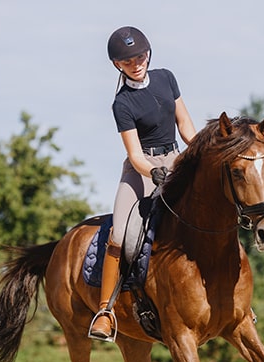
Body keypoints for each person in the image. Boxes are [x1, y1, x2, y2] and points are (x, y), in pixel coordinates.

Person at [89, 26, 197, 340]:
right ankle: (105, 312)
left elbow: (185, 125)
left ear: (148, 54)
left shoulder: (166, 78)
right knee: (120, 235)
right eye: (127, 60)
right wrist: (153, 173)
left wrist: (202, 149)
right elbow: (135, 154)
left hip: (176, 158)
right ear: (117, 65)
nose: (136, 63)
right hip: (143, 169)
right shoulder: (121, 103)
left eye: (139, 56)